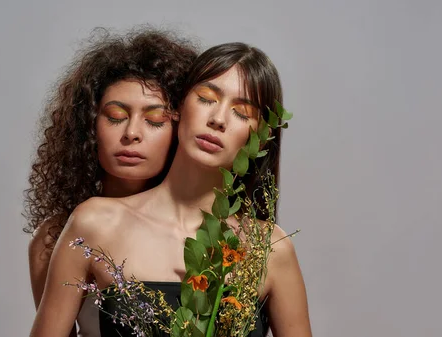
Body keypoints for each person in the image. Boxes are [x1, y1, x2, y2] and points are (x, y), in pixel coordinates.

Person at [30, 42, 312, 337]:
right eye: (206, 98)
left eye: (241, 112)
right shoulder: (95, 224)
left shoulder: (270, 249)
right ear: (178, 108)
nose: (218, 119)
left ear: (261, 139)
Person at [23, 28, 198, 336]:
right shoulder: (54, 238)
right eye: (116, 116)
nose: (132, 133)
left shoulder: (196, 231)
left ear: (179, 130)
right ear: (88, 127)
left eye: (155, 120)